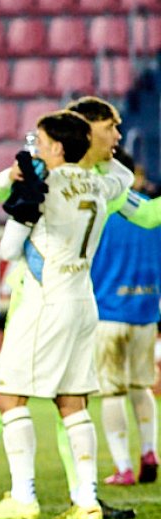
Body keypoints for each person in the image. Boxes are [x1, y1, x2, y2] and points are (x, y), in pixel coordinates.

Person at [0, 96, 157, 519]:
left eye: (42, 142)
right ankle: (86, 501)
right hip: (83, 301)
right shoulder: (104, 185)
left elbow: (10, 249)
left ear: (60, 147)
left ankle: (22, 497)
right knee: (73, 402)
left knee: (8, 397)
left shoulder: (45, 186)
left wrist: (23, 205)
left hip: (44, 301)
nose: (35, 148)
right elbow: (127, 188)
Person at [91, 150, 160, 487]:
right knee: (141, 386)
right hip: (145, 313)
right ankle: (149, 452)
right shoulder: (151, 212)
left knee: (112, 392)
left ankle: (123, 467)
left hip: (107, 314)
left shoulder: (99, 211)